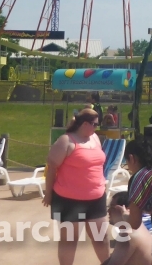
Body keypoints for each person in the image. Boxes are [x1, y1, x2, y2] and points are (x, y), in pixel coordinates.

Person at [43, 108, 110, 265]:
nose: (96, 127)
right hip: (69, 200)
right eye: (94, 124)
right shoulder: (66, 141)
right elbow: (52, 168)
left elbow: (98, 165)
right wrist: (48, 194)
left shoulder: (94, 138)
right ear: (85, 124)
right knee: (70, 240)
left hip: (96, 198)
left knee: (101, 237)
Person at [103, 192, 152, 265]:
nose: (108, 211)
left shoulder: (128, 234)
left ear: (127, 210)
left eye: (113, 207)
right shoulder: (137, 226)